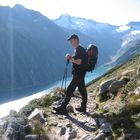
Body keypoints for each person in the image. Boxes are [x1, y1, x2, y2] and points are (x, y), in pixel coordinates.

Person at [54, 34, 88, 114]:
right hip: (80, 73)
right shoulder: (78, 49)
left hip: (79, 73)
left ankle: (63, 107)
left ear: (75, 40)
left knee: (70, 89)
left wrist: (70, 58)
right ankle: (83, 107)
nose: (70, 42)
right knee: (82, 89)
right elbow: (78, 60)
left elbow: (79, 62)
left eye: (71, 40)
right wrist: (71, 58)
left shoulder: (79, 49)